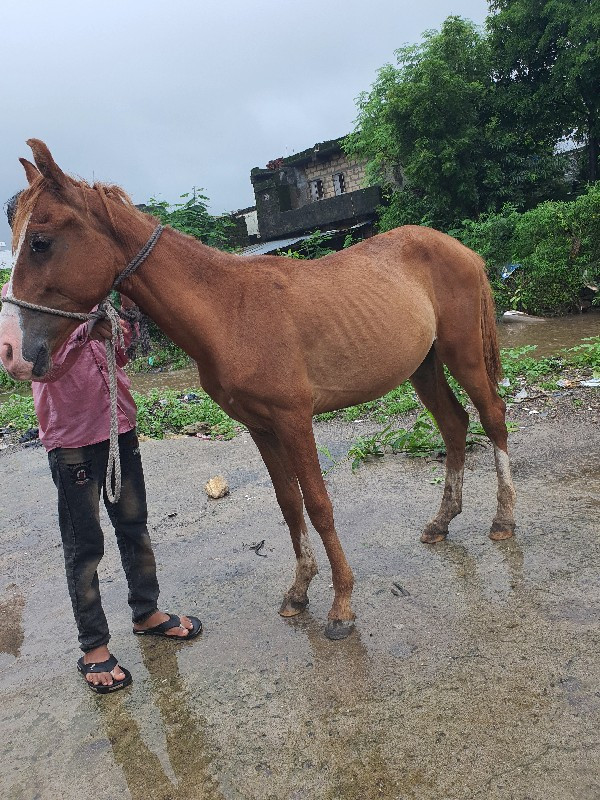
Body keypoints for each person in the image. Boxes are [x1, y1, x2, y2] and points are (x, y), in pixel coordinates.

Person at [1, 284, 202, 694]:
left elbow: (120, 354)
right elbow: (22, 365)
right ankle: (94, 646)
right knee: (85, 546)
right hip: (72, 441)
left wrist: (124, 315)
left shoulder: (91, 291)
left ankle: (146, 612)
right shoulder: (22, 296)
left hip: (118, 430)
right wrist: (83, 333)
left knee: (135, 528)